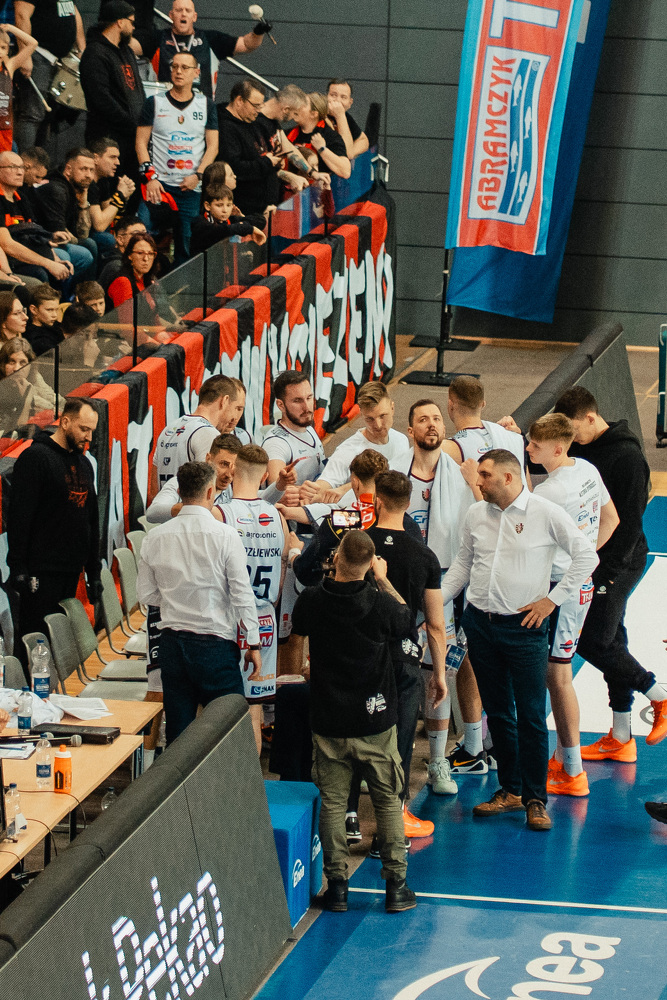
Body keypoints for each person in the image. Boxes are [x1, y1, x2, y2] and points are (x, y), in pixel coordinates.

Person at [440, 449, 599, 831]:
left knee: (530, 715)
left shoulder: (545, 513)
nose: (477, 481)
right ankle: (510, 790)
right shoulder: (476, 514)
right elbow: (463, 564)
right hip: (480, 624)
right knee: (498, 713)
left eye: (485, 475)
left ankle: (535, 799)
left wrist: (552, 600)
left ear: (508, 477)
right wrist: (434, 604)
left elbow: (586, 557)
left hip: (524, 629)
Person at [291, 529, 418, 913]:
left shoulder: (313, 600)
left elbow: (296, 636)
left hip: (329, 719)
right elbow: (407, 619)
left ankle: (337, 888)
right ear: (369, 564)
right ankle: (396, 886)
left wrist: (301, 670)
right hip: (376, 721)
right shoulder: (380, 604)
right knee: (388, 800)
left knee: (332, 804)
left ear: (336, 558)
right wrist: (383, 578)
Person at [553, 386, 667, 756]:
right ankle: (621, 737)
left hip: (619, 561)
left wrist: (610, 575)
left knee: (592, 641)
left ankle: (658, 694)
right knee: (613, 638)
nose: (571, 440)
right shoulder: (582, 444)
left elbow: (632, 523)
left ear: (591, 417)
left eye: (574, 430)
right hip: (593, 560)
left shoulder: (628, 458)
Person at [349, 470, 448, 845]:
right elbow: (435, 624)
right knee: (400, 739)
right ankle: (393, 824)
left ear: (377, 501)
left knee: (357, 732)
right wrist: (439, 674)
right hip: (403, 658)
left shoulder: (357, 545)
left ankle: (350, 815)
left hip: (360, 656)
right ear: (408, 505)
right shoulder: (425, 555)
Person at [136, 460, 261, 745]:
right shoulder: (226, 535)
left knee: (179, 735)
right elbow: (242, 594)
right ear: (210, 492)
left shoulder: (154, 537)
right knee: (229, 733)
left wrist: (176, 598)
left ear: (179, 492)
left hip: (172, 645)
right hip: (215, 645)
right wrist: (253, 643)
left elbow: (146, 595)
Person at [527, 412, 619, 797]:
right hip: (580, 585)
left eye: (535, 445)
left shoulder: (550, 493)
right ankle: (566, 760)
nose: (528, 449)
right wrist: (583, 557)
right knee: (558, 672)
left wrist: (569, 564)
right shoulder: (586, 469)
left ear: (557, 448)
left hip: (560, 589)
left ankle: (573, 770)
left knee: (558, 676)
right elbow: (610, 519)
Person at [391, 399, 479, 792]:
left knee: (436, 673)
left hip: (445, 582)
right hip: (398, 584)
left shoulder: (461, 476)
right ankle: (387, 761)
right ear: (410, 431)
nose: (432, 424)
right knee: (394, 672)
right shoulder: (394, 475)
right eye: (423, 419)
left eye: (437, 419)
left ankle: (439, 760)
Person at [444, 375, 528, 775]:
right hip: (513, 562)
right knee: (499, 658)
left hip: (479, 560)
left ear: (450, 404)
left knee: (469, 657)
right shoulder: (510, 438)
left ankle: (474, 746)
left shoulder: (454, 449)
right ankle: (494, 742)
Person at [7, 397, 102, 649]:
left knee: (59, 645)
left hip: (70, 571)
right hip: (40, 573)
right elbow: (19, 517)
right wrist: (18, 567)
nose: (89, 437)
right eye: (84, 429)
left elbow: (91, 520)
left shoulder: (84, 463)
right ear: (65, 422)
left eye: (92, 430)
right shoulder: (35, 458)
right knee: (35, 643)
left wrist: (93, 572)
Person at [217, 444, 288, 752]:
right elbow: (284, 567)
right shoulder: (277, 515)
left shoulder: (221, 514)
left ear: (233, 470)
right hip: (265, 618)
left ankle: (218, 779)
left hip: (229, 618)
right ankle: (252, 781)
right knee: (253, 712)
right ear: (263, 478)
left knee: (216, 712)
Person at [136, 50, 219, 265]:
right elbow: (140, 143)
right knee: (141, 233)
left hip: (190, 187)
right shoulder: (154, 102)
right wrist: (150, 178)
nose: (178, 71)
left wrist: (198, 176)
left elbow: (213, 146)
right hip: (159, 185)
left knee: (186, 245)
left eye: (184, 67)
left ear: (196, 73)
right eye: (174, 67)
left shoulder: (206, 105)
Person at [134, 0, 270, 99]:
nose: (183, 14)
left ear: (194, 17)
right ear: (171, 15)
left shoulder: (210, 39)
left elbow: (246, 45)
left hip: (202, 108)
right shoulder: (157, 38)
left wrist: (258, 33)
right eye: (179, 10)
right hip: (164, 106)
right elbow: (131, 46)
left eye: (187, 11)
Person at [218, 79, 307, 218]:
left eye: (260, 105)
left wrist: (274, 164)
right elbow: (235, 167)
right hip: (246, 208)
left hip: (266, 206)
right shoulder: (226, 127)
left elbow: (275, 152)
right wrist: (268, 162)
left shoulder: (250, 121)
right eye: (255, 106)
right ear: (239, 100)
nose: (258, 110)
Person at [80, 2, 144, 187]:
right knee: (109, 189)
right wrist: (130, 123)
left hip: (132, 138)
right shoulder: (95, 53)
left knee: (131, 189)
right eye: (131, 22)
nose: (133, 27)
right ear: (119, 22)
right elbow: (101, 99)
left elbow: (137, 90)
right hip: (107, 137)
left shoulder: (126, 51)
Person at [308, 381, 409, 498]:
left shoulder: (402, 440)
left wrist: (346, 488)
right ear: (361, 414)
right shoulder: (348, 450)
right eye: (370, 419)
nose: (378, 425)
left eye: (382, 416)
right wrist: (308, 492)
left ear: (392, 408)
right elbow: (325, 484)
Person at [13, 0, 86, 150]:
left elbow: (72, 9)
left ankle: (39, 161)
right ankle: (25, 160)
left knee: (48, 116)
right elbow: (21, 14)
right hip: (38, 55)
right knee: (33, 114)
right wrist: (25, 55)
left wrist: (82, 47)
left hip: (59, 60)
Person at [152, 373, 240, 492]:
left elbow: (153, 491)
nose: (234, 417)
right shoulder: (208, 434)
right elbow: (205, 493)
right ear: (225, 400)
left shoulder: (168, 430)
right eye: (235, 408)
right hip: (188, 504)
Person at [0, 150, 74, 287]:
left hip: (26, 251)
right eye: (13, 167)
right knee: (40, 273)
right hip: (10, 259)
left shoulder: (22, 198)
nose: (20, 172)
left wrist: (55, 259)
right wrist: (48, 263)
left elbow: (35, 234)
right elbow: (7, 245)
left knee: (65, 265)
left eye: (21, 167)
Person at [32, 147, 97, 281]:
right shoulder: (57, 190)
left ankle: (86, 291)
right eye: (83, 169)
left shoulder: (75, 189)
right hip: (41, 241)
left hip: (52, 240)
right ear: (68, 169)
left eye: (91, 170)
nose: (89, 175)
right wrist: (75, 239)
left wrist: (83, 204)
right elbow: (60, 233)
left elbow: (83, 234)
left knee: (89, 243)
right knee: (80, 253)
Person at [146, 431, 240, 523]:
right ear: (208, 459)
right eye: (224, 464)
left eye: (235, 466)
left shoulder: (236, 492)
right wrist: (192, 509)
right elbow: (152, 513)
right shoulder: (182, 482)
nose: (228, 475)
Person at [261, 370, 325, 501]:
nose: (306, 407)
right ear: (281, 405)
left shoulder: (308, 428)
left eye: (309, 398)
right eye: (297, 401)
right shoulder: (275, 443)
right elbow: (277, 492)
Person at [0, 336, 62, 434]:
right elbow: (14, 431)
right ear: (3, 364)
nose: (17, 368)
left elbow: (57, 401)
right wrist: (27, 398)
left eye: (22, 363)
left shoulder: (34, 378)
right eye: (12, 362)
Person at [88, 138, 136, 256]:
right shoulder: (88, 182)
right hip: (78, 233)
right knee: (107, 239)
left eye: (118, 158)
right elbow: (99, 225)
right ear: (96, 158)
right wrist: (120, 196)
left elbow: (110, 217)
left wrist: (124, 197)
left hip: (94, 231)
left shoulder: (103, 181)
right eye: (112, 157)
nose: (117, 162)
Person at [287, 92, 351, 179]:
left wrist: (322, 149)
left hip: (318, 186)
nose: (296, 108)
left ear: (314, 114)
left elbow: (345, 171)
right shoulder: (288, 134)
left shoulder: (329, 136)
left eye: (302, 105)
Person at [190, 183, 266, 255]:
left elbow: (261, 221)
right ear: (207, 206)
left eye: (228, 205)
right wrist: (250, 228)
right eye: (219, 205)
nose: (225, 210)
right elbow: (221, 230)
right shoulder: (200, 223)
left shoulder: (228, 220)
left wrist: (241, 217)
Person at [0, 22, 38, 152]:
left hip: (4, 127)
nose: (0, 52)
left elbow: (33, 44)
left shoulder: (8, 68)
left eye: (3, 48)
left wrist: (11, 28)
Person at [107, 232, 159, 309]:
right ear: (130, 255)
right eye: (140, 253)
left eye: (150, 254)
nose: (146, 259)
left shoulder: (149, 279)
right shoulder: (122, 282)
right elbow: (126, 316)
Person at [98, 214, 146, 293]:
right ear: (120, 239)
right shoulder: (116, 267)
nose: (142, 239)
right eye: (136, 234)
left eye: (144, 234)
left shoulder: (145, 261)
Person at [326, 79, 369, 160]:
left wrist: (351, 152)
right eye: (333, 95)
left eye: (343, 97)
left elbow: (363, 140)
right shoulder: (317, 114)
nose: (338, 101)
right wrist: (340, 115)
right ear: (326, 97)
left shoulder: (345, 116)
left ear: (350, 103)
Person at [24, 282, 62, 355]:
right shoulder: (36, 340)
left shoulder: (55, 325)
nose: (55, 315)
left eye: (56, 309)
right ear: (34, 309)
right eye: (49, 310)